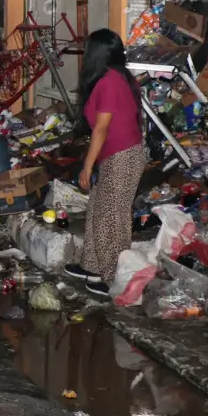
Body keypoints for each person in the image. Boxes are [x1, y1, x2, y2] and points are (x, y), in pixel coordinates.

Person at [65, 29, 146, 296]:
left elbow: (101, 128)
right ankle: (92, 265)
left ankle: (111, 276)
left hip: (122, 155)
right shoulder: (118, 77)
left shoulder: (110, 81)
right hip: (117, 154)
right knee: (98, 210)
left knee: (111, 217)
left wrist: (87, 166)